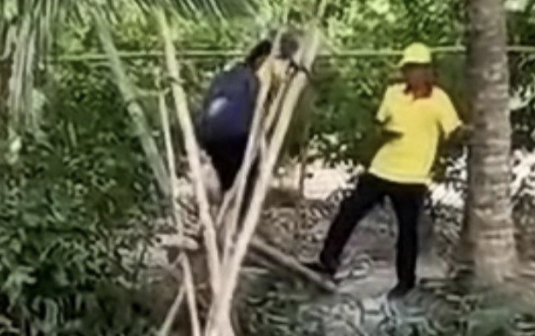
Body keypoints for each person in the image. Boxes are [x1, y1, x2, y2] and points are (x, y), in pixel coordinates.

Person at [313, 44, 463, 298]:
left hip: (413, 176)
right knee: (349, 211)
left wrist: (472, 131)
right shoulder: (393, 94)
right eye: (407, 70)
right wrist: (383, 134)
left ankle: (405, 282)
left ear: (428, 71)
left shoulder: (439, 99)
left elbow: (454, 131)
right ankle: (328, 260)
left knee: (407, 231)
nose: (411, 75)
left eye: (416, 69)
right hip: (382, 168)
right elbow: (379, 125)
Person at [196, 34, 296, 198]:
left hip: (209, 136)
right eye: (287, 66)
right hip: (237, 135)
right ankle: (237, 207)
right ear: (268, 60)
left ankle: (227, 202)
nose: (287, 74)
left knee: (229, 181)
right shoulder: (256, 82)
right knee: (247, 179)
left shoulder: (228, 75)